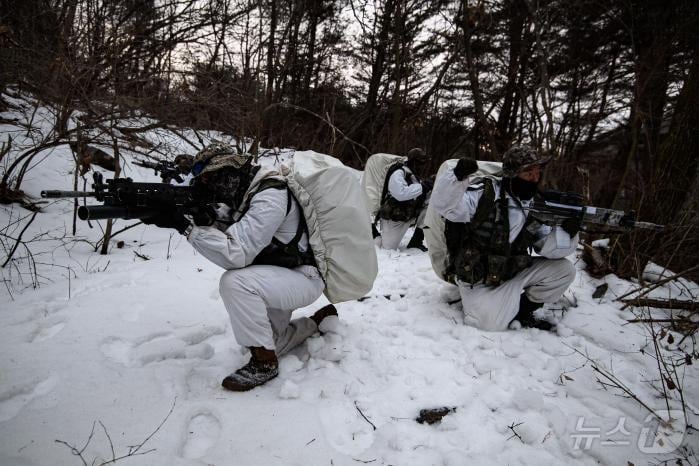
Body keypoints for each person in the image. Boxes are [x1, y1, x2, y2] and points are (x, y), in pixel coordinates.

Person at [142, 142, 337, 391]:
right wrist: (201, 219)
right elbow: (236, 231)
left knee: (235, 282)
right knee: (270, 341)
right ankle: (314, 323)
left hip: (303, 277)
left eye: (212, 178)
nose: (209, 186)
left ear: (231, 172)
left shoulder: (270, 195)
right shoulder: (245, 193)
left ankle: (264, 364)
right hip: (278, 274)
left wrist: (186, 227)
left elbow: (237, 253)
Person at [431, 144, 579, 331]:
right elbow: (447, 207)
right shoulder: (485, 195)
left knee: (564, 270)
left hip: (510, 272)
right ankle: (493, 305)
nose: (535, 179)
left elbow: (547, 248)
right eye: (528, 174)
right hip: (477, 279)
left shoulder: (534, 205)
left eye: (537, 173)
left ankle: (522, 313)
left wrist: (566, 232)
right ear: (512, 175)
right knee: (487, 324)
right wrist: (457, 177)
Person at [376, 148, 433, 251]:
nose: (423, 166)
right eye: (421, 162)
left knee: (431, 204)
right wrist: (423, 187)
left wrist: (430, 188)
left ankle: (416, 240)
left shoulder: (413, 175)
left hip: (407, 215)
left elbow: (420, 195)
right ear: (414, 161)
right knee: (387, 248)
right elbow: (400, 194)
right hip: (394, 218)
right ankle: (372, 232)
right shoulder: (399, 172)